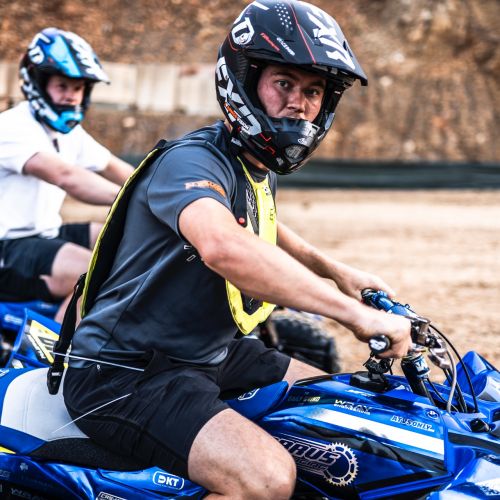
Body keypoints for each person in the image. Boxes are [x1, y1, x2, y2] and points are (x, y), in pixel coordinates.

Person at [63, 2, 412, 498]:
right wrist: (353, 314)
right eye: (284, 83)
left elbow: (261, 222)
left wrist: (336, 270)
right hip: (126, 373)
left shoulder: (250, 164)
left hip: (212, 352)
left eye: (313, 91)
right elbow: (224, 245)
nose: (299, 103)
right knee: (266, 479)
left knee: (339, 408)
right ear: (244, 81)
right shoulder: (191, 160)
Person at [0, 28, 133, 321]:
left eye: (78, 88)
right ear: (37, 82)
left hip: (45, 233)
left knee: (129, 234)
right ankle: (60, 347)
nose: (71, 96)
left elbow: (118, 169)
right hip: (7, 247)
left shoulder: (69, 134)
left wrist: (167, 189)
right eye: (62, 86)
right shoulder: (11, 127)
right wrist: (137, 196)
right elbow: (66, 176)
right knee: (95, 273)